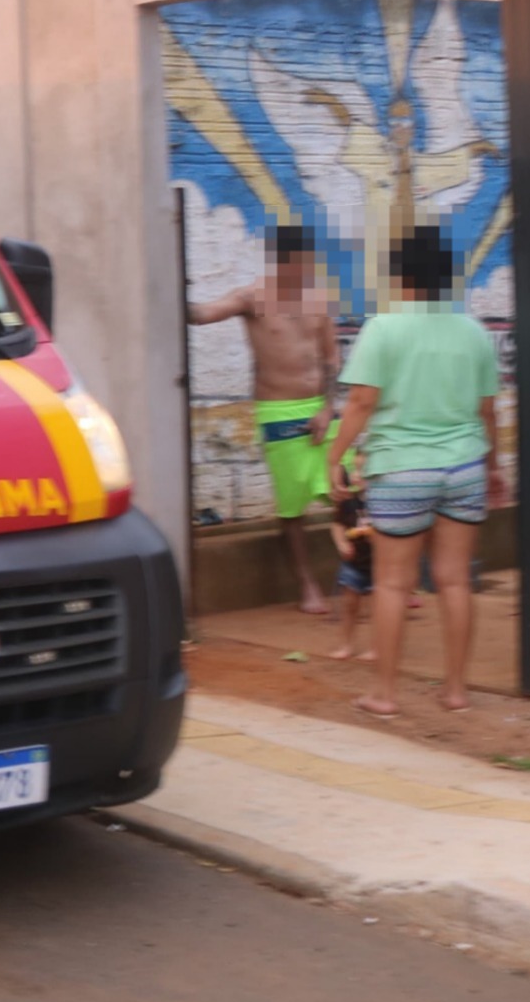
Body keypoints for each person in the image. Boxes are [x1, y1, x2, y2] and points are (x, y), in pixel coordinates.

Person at [320, 224, 507, 717]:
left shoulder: (383, 328)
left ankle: (384, 694)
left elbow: (361, 401)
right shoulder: (474, 332)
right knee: (454, 582)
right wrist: (493, 465)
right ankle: (456, 691)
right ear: (445, 277)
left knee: (392, 584)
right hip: (464, 465)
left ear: (400, 276)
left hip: (402, 470)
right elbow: (488, 411)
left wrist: (334, 455)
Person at [188, 223, 344, 614]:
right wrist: (171, 285)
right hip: (279, 412)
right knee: (292, 509)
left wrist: (327, 408)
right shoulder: (252, 298)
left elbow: (330, 358)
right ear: (277, 261)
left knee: (348, 492)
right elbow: (202, 314)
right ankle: (307, 585)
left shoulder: (319, 299)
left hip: (321, 411)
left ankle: (365, 572)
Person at [324, 483, 373, 661]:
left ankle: (376, 646)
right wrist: (341, 544)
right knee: (349, 605)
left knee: (377, 609)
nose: (357, 475)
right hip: (353, 563)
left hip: (379, 564)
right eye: (355, 469)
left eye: (363, 470)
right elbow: (337, 525)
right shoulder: (348, 501)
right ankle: (346, 645)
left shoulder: (382, 500)